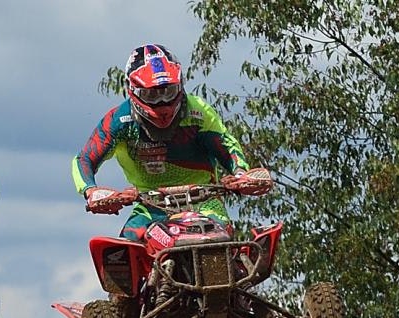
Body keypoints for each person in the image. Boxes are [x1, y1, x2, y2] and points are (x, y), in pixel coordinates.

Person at [72, 43, 265, 239]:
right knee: (122, 249)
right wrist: (91, 191)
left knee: (222, 237)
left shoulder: (198, 112)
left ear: (180, 85)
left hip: (204, 201)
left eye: (169, 92)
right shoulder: (119, 121)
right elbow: (84, 159)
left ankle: (243, 260)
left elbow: (227, 146)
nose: (162, 102)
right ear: (133, 90)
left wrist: (241, 174)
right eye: (151, 94)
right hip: (151, 205)